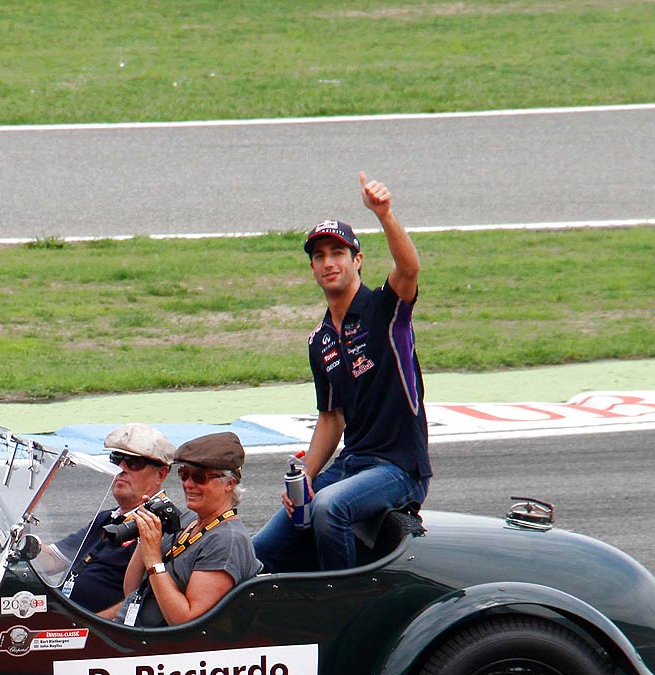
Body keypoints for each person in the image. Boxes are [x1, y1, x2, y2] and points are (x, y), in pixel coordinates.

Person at [252, 173, 430, 574]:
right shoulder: (319, 340)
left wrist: (384, 214)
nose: (329, 262)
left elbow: (410, 267)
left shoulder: (386, 310)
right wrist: (306, 479)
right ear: (313, 267)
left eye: (338, 252)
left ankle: (341, 607)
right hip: (351, 464)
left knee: (330, 507)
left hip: (399, 468)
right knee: (257, 551)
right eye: (320, 256)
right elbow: (330, 418)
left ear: (357, 261)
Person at [115, 432, 260, 628]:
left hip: (163, 645)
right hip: (134, 629)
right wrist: (146, 535)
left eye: (200, 477)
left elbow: (186, 621)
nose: (188, 484)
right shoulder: (188, 520)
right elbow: (131, 590)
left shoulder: (227, 539)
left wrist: (154, 560)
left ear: (229, 483)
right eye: (184, 474)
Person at [38, 422, 175, 612]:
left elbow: (144, 598)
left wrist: (88, 625)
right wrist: (21, 542)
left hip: (99, 631)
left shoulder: (163, 525)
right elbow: (53, 560)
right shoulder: (107, 518)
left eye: (134, 463)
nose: (121, 469)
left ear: (160, 474)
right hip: (65, 616)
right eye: (116, 460)